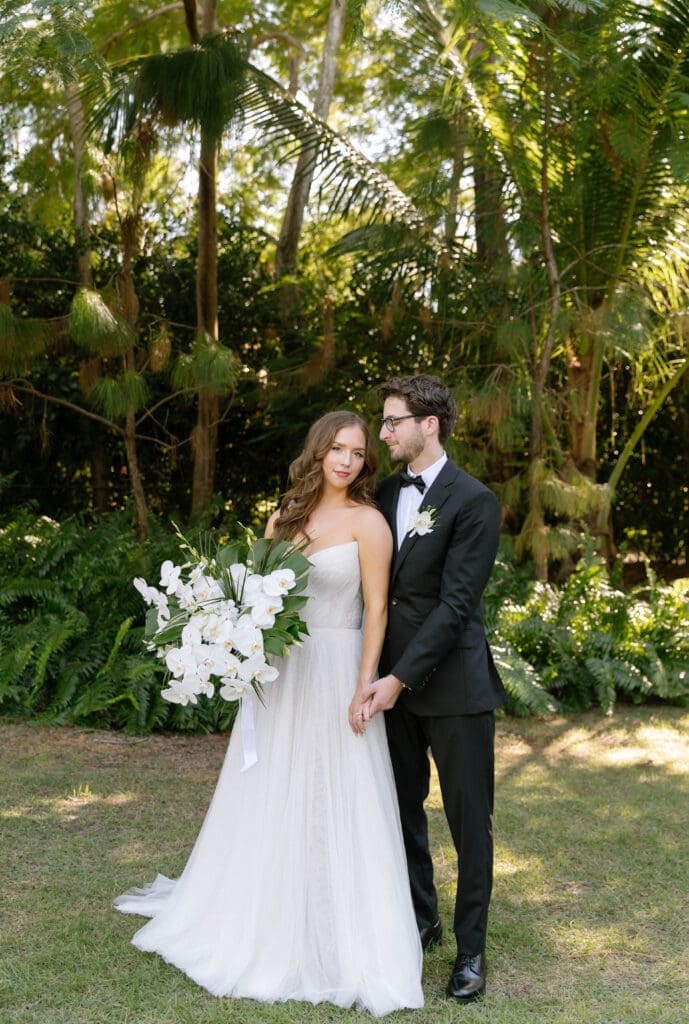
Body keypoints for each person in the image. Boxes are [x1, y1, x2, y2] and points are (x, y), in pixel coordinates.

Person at [114, 410, 423, 1017]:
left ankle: (336, 926)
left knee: (337, 788)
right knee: (274, 784)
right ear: (318, 450)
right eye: (337, 449)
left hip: (337, 666)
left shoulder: (369, 522)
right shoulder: (282, 519)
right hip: (283, 671)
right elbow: (260, 597)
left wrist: (364, 683)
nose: (347, 461)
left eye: (358, 453)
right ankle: (263, 910)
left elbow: (378, 608)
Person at [355, 374, 506, 1004]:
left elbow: (455, 606)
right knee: (401, 810)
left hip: (456, 689)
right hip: (391, 687)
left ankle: (471, 949)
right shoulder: (386, 492)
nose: (383, 432)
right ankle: (421, 920)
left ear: (429, 425)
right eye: (384, 422)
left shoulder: (475, 501)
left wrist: (397, 678)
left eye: (393, 422)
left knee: (470, 823)